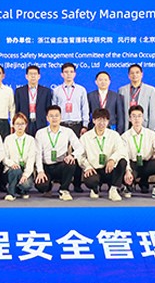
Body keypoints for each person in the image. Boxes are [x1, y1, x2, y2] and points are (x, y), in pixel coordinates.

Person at [121, 105, 155, 200]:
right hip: (132, 165)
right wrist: (127, 171)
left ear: (143, 118)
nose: (137, 119)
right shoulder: (125, 137)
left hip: (146, 164)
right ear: (129, 119)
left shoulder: (151, 134)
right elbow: (124, 156)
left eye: (139, 116)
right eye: (134, 116)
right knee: (122, 164)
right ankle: (127, 187)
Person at [34, 105, 84, 201]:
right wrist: (40, 171)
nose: (54, 118)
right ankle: (48, 187)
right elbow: (38, 154)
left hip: (61, 165)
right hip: (46, 166)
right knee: (41, 186)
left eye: (56, 115)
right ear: (47, 118)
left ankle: (64, 189)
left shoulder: (68, 131)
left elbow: (80, 148)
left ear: (61, 117)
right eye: (51, 116)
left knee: (71, 163)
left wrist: (72, 155)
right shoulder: (40, 133)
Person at [53, 63, 88, 192]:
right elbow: (54, 110)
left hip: (76, 125)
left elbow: (85, 108)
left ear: (75, 74)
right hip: (61, 124)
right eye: (66, 72)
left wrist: (85, 125)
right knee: (61, 154)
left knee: (77, 154)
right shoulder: (57, 90)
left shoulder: (81, 90)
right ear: (62, 74)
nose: (69, 74)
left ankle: (77, 183)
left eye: (71, 72)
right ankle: (63, 184)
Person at [80, 108, 128, 201]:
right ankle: (95, 188)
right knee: (91, 180)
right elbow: (80, 155)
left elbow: (121, 150)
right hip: (94, 170)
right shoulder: (85, 137)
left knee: (123, 161)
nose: (102, 123)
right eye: (99, 120)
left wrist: (112, 159)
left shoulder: (114, 135)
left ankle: (113, 189)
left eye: (105, 120)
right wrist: (87, 167)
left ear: (108, 121)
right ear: (94, 120)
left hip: (109, 169)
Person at [3, 112, 37, 201]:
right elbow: (4, 157)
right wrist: (12, 164)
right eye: (17, 124)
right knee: (16, 170)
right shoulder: (8, 139)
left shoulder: (30, 140)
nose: (20, 126)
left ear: (26, 125)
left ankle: (21, 190)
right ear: (13, 125)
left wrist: (25, 175)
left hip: (25, 169)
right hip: (11, 169)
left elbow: (31, 159)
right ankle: (11, 193)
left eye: (22, 124)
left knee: (26, 184)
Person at [117, 64, 155, 134]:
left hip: (144, 126)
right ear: (129, 75)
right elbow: (120, 111)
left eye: (137, 72)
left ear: (142, 74)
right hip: (127, 126)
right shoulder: (122, 90)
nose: (134, 75)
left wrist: (151, 131)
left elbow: (153, 112)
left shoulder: (150, 90)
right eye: (132, 73)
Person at [14, 65, 52, 135]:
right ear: (26, 76)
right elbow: (17, 110)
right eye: (31, 74)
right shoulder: (19, 91)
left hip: (41, 124)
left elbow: (48, 109)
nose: (33, 76)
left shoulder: (46, 91)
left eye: (35, 74)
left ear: (39, 76)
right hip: (24, 124)